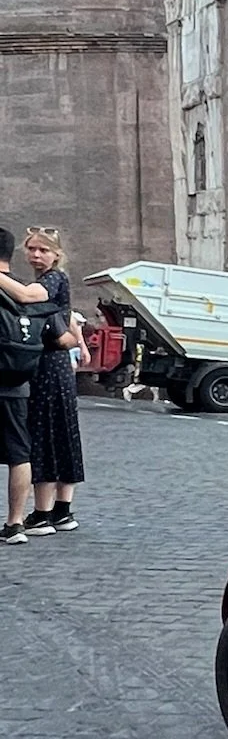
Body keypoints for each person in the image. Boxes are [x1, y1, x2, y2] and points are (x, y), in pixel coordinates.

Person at [20, 227, 83, 534]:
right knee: (64, 432)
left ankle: (42, 513)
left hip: (46, 365)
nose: (36, 255)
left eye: (43, 250)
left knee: (44, 433)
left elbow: (30, 296)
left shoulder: (51, 279)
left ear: (56, 254)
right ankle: (62, 510)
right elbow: (68, 318)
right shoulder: (59, 279)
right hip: (58, 366)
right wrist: (77, 342)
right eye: (31, 249)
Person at [0, 227, 52, 546]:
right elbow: (59, 335)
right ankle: (15, 523)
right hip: (18, 384)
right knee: (19, 455)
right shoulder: (27, 290)